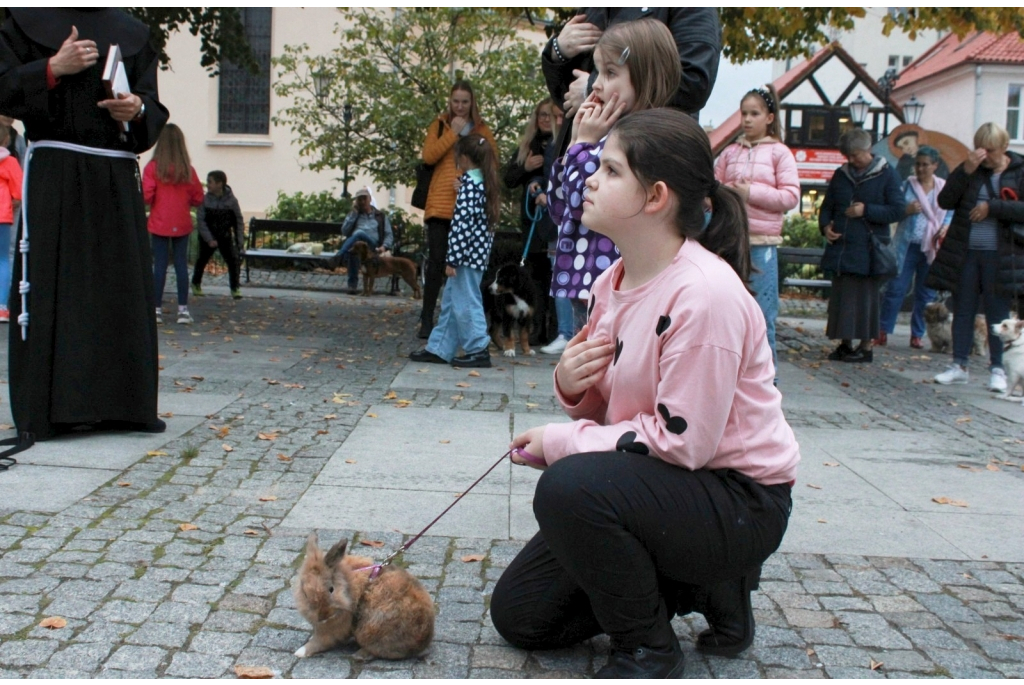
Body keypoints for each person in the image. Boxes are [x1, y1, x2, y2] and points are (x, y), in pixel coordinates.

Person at [490, 109, 798, 678]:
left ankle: (647, 648)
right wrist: (573, 388)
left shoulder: (703, 296)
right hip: (670, 484)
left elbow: (682, 444)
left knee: (568, 489)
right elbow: (617, 414)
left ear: (654, 196)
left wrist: (562, 440)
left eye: (609, 170)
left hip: (737, 499)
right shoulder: (613, 282)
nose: (589, 179)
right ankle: (699, 587)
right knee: (522, 616)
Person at [0, 9, 170, 452]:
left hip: (114, 176)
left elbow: (152, 107)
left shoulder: (132, 31)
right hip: (56, 172)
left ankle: (125, 404)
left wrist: (135, 108)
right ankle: (49, 409)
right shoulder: (23, 19)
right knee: (59, 286)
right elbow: (3, 88)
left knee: (119, 288)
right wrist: (53, 69)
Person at [548, 19, 682, 344]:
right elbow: (560, 209)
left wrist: (582, 146)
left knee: (611, 376)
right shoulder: (603, 135)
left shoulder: (644, 141)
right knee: (595, 377)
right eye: (596, 72)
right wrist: (573, 145)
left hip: (621, 285)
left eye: (609, 73)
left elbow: (584, 204)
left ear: (646, 76)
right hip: (592, 283)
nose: (595, 84)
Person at [541, 7, 720, 160]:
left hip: (645, 157)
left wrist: (591, 89)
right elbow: (567, 98)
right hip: (579, 152)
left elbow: (693, 82)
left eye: (609, 72)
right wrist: (557, 52)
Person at [927, 123, 1024, 391]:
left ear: (1004, 148)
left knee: (997, 313)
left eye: (990, 151)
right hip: (967, 251)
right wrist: (963, 170)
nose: (984, 156)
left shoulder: (1019, 171)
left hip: (1001, 254)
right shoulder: (972, 171)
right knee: (963, 309)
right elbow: (945, 200)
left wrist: (992, 207)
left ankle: (998, 369)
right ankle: (958, 365)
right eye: (980, 149)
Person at [714, 84, 799, 375]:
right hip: (731, 240)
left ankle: (766, 382)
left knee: (763, 316)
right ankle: (731, 376)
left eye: (754, 113)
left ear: (769, 118)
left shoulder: (780, 153)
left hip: (762, 243)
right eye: (744, 113)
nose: (747, 119)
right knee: (728, 313)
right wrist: (725, 194)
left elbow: (790, 196)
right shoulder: (730, 152)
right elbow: (714, 189)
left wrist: (751, 194)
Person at [409, 135, 500, 369]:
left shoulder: (470, 185)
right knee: (452, 300)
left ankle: (478, 347)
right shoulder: (482, 183)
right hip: (476, 254)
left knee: (466, 302)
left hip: (465, 257)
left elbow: (462, 226)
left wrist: (453, 259)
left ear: (464, 157)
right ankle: (439, 348)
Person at [418, 80, 497, 339]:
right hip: (441, 205)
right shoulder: (440, 125)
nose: (460, 106)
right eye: (456, 101)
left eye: (465, 101)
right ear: (449, 102)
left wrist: (470, 181)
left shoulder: (483, 129)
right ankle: (427, 320)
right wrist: (452, 133)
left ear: (472, 102)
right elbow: (428, 156)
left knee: (463, 271)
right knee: (437, 263)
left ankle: (462, 331)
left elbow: (491, 163)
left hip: (471, 204)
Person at [820, 128, 905, 364]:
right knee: (843, 299)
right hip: (843, 248)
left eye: (856, 156)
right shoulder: (841, 175)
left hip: (869, 250)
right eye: (849, 157)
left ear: (868, 150)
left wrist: (866, 210)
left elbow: (898, 209)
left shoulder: (887, 175)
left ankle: (866, 345)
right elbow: (827, 206)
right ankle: (844, 343)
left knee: (867, 300)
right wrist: (826, 226)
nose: (852, 161)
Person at [877, 146, 952, 349]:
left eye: (925, 165)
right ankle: (883, 330)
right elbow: (894, 209)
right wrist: (905, 210)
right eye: (917, 164)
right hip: (907, 245)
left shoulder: (943, 187)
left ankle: (917, 334)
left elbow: (950, 211)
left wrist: (945, 226)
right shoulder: (906, 186)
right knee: (896, 288)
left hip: (931, 248)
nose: (920, 169)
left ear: (935, 166)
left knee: (926, 294)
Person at [504, 98, 558, 345]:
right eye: (541, 115)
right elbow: (509, 179)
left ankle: (555, 329)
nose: (545, 119)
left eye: (549, 115)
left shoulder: (560, 144)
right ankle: (535, 328)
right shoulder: (528, 146)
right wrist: (525, 167)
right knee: (534, 277)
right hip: (532, 220)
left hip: (553, 216)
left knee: (553, 278)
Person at [143, 123, 204, 325]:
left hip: (160, 221)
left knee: (159, 266)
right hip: (182, 222)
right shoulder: (188, 170)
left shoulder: (153, 168)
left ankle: (156, 309)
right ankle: (183, 310)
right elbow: (197, 198)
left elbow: (147, 195)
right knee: (181, 266)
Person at [327, 188, 393, 295]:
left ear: (370, 199)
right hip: (358, 247)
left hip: (373, 246)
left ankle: (338, 256)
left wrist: (384, 247)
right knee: (353, 252)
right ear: (356, 202)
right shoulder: (354, 214)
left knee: (359, 233)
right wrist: (354, 214)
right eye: (359, 200)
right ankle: (352, 286)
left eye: (364, 199)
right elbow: (344, 231)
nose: (362, 202)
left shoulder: (380, 216)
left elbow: (389, 234)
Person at [191, 170, 245, 300]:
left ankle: (235, 287)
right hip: (207, 237)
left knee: (233, 261)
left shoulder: (232, 201)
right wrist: (209, 239)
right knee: (202, 260)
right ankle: (196, 284)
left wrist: (240, 242)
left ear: (219, 183)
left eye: (210, 182)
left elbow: (238, 221)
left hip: (225, 236)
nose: (208, 185)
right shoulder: (205, 200)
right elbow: (201, 220)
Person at [0, 124, 21, 324]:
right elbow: (19, 190)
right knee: (3, 260)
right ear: (6, 140)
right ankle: (1, 307)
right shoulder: (10, 162)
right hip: (2, 215)